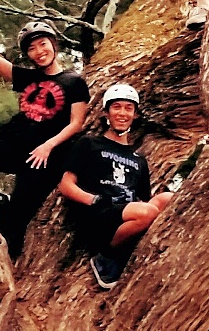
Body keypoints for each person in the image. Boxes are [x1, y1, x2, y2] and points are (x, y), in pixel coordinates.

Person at [0, 0, 90, 258]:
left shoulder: (73, 81)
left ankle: (13, 263)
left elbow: (77, 123)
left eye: (42, 44)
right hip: (14, 145)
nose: (38, 51)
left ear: (54, 45)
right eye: (31, 49)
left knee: (17, 219)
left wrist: (48, 145)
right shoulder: (26, 77)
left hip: (43, 158)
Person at [58, 83, 173, 290]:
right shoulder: (89, 144)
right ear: (106, 113)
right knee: (146, 211)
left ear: (135, 115)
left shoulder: (139, 160)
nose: (122, 113)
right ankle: (106, 256)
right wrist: (94, 200)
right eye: (116, 107)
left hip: (128, 215)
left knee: (168, 198)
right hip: (98, 215)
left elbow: (143, 200)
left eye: (128, 108)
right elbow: (66, 186)